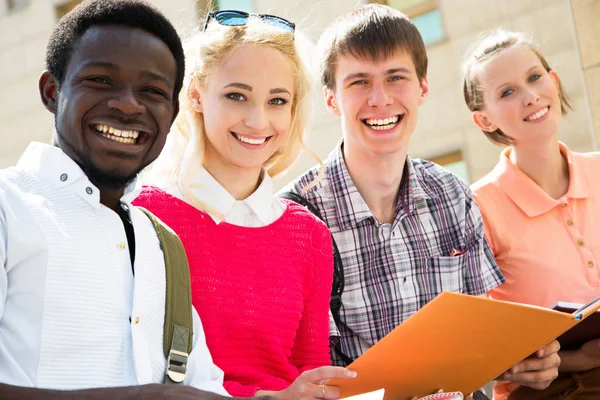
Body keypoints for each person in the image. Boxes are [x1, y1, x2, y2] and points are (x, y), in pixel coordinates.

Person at [282, 4, 561, 398]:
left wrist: (522, 362)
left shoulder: (452, 194)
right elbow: (298, 370)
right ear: (331, 100)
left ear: (423, 88)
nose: (380, 99)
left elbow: (480, 337)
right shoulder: (294, 217)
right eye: (359, 82)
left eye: (396, 78)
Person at [0, 1, 253, 399]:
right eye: (101, 81)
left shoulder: (164, 245)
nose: (128, 104)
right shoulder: (7, 208)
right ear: (53, 92)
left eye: (151, 91)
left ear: (171, 113)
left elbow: (201, 389)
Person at [133, 10, 355, 400]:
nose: (258, 120)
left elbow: (313, 374)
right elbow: (144, 370)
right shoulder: (147, 214)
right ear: (197, 94)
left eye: (277, 101)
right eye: (237, 95)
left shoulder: (309, 235)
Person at [464, 30, 600, 400]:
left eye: (535, 78)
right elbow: (475, 342)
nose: (530, 96)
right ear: (484, 120)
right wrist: (577, 358)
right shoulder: (476, 205)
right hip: (550, 390)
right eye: (507, 92)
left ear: (553, 81)